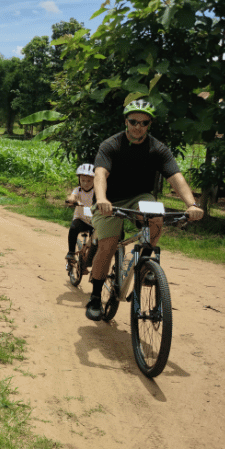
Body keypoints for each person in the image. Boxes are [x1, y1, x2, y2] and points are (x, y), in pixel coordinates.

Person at [85, 100, 204, 321]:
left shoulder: (157, 148)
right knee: (108, 245)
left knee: (156, 218)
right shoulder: (111, 145)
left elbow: (175, 178)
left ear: (149, 124)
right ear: (125, 121)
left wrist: (192, 204)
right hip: (111, 200)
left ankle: (145, 264)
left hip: (140, 197)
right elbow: (100, 174)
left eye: (144, 122)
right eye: (133, 121)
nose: (138, 127)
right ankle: (94, 296)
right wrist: (101, 198)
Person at [65, 163, 95, 263]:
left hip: (94, 221)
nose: (85, 183)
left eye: (89, 181)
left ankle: (90, 259)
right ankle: (71, 253)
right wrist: (72, 201)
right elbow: (72, 197)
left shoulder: (97, 192)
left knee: (96, 242)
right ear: (79, 180)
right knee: (73, 227)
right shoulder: (78, 190)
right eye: (83, 180)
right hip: (81, 220)